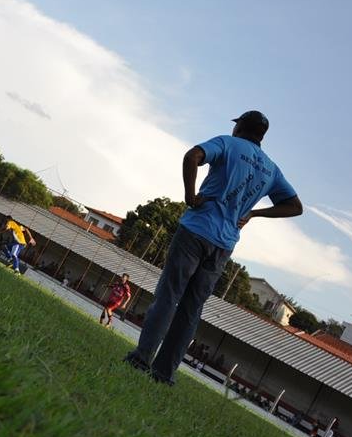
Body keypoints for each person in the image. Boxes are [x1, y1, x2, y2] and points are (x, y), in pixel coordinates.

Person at [124, 111, 301, 385]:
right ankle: (163, 373)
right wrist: (254, 214)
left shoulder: (228, 144)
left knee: (169, 296)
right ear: (262, 136)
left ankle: (142, 357)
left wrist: (190, 195)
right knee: (192, 309)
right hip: (224, 244)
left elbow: (191, 156)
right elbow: (295, 206)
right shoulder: (271, 169)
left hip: (195, 229)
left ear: (240, 127)